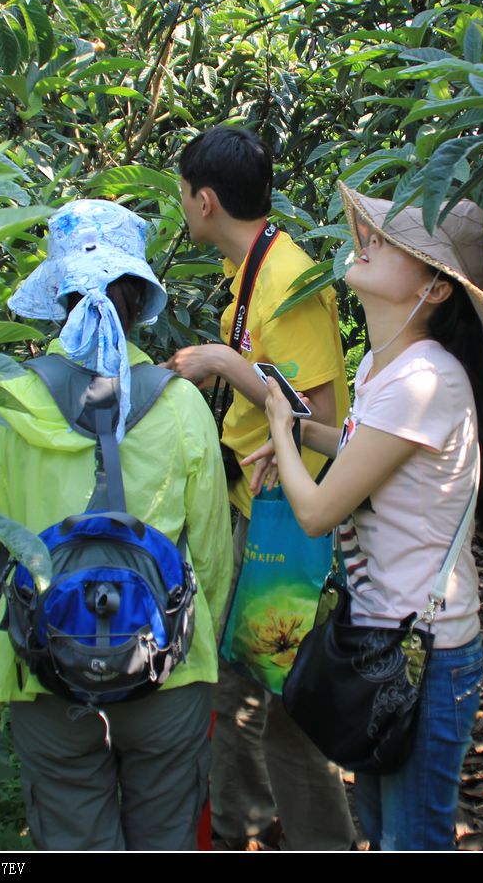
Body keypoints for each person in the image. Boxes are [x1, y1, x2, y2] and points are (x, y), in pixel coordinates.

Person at [0, 199, 230, 850]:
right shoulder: (180, 405)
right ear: (138, 297)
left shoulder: (3, 403)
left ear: (60, 294)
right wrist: (205, 638)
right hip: (165, 667)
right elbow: (208, 554)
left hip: (46, 668)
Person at [243, 183, 483, 851]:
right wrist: (307, 438)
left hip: (427, 651)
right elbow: (371, 452)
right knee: (381, 824)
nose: (366, 242)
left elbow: (316, 513)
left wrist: (281, 422)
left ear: (436, 289)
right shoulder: (383, 365)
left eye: (393, 244)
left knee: (411, 838)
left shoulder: (424, 377)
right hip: (385, 639)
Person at [163, 125, 355, 850]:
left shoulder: (285, 280)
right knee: (249, 692)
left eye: (182, 195)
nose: (182, 206)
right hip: (259, 508)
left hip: (285, 525)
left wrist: (224, 363)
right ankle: (254, 826)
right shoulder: (253, 270)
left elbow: (323, 423)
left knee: (271, 696)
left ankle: (300, 836)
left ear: (204, 200)